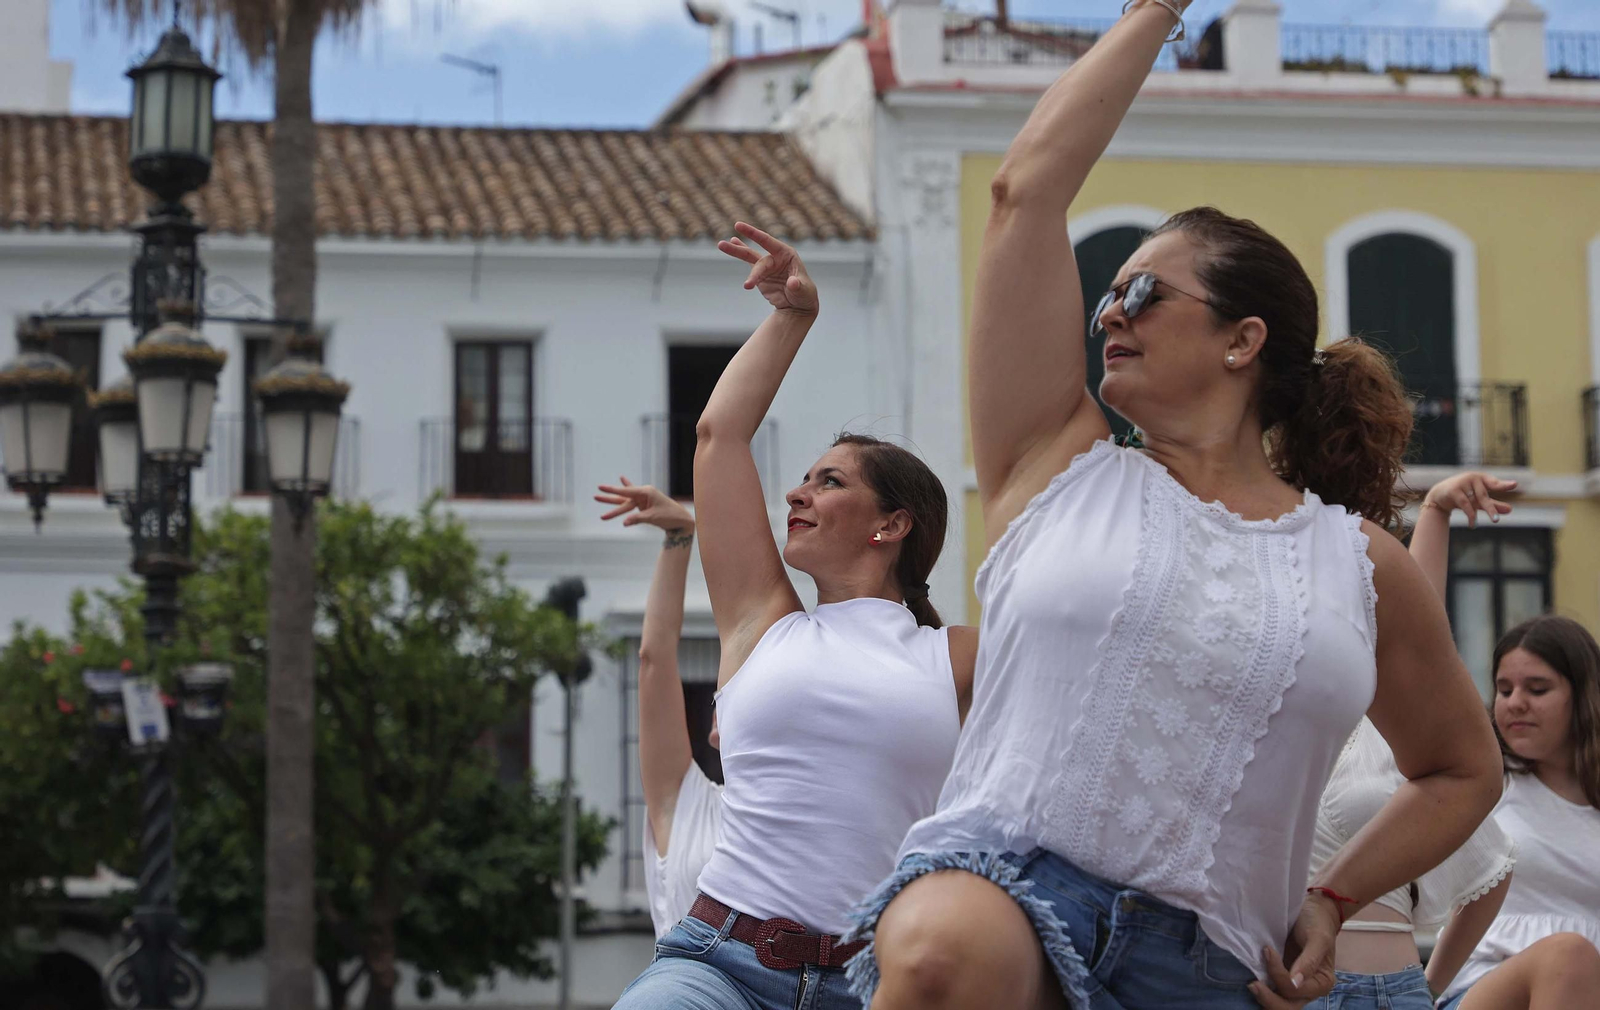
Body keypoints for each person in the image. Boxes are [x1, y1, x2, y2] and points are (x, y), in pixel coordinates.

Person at [842, 3, 1503, 1009]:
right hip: (1010, 896)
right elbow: (1023, 191)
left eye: (1143, 293)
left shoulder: (1358, 562)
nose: (1110, 311)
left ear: (1241, 340)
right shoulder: (1053, 462)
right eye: (1106, 293)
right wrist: (1154, 10)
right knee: (941, 950)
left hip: (1217, 968)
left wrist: (1332, 896)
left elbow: (1462, 767)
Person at [609, 221, 976, 1010]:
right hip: (718, 964)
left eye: (830, 481)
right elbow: (719, 437)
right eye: (804, 477)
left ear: (893, 524)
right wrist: (791, 318)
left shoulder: (956, 659)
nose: (797, 493)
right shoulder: (762, 623)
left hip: (877, 986)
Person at [1283, 473, 1521, 1010]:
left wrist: (1431, 986)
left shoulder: (1390, 731)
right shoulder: (1273, 719)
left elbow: (1412, 611)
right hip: (1291, 990)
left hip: (1399, 990)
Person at [1435, 613, 1600, 1009]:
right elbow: (1423, 660)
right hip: (1482, 985)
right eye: (1504, 690)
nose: (1515, 704)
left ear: (1584, 696)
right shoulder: (1483, 779)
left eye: (1537, 689)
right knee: (1567, 957)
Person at [595, 476, 722, 938]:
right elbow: (655, 660)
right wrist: (679, 537)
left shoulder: (801, 807)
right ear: (714, 729)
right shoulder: (687, 802)